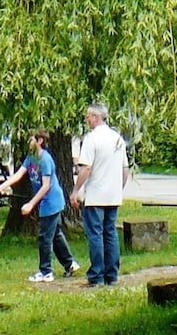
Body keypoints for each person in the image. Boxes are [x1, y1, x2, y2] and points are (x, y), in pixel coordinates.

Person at [0, 130, 79, 281]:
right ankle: (70, 263)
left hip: (52, 202)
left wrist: (31, 204)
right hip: (46, 202)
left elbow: (46, 186)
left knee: (44, 237)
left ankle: (46, 272)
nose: (28, 143)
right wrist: (1, 187)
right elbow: (18, 175)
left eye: (31, 140)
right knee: (55, 234)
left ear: (39, 141)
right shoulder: (31, 157)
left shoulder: (45, 159)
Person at [71, 103, 129, 287]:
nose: (87, 120)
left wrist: (75, 190)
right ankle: (112, 274)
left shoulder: (91, 139)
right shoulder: (117, 138)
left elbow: (86, 167)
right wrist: (119, 188)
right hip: (113, 195)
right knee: (110, 233)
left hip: (96, 194)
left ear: (95, 117)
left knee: (95, 234)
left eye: (88, 116)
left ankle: (96, 274)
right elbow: (125, 168)